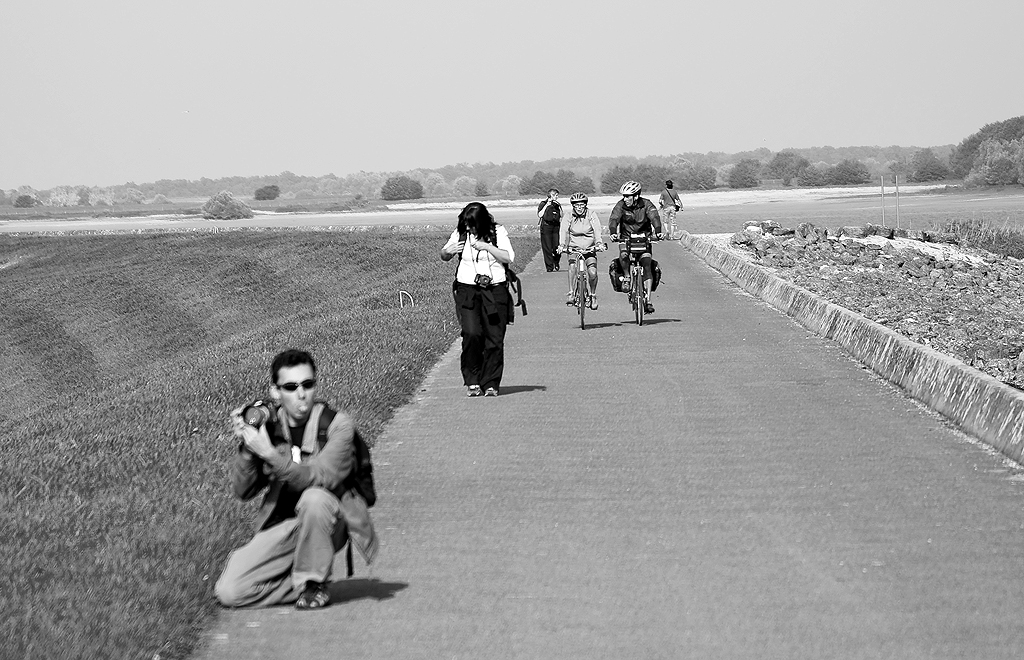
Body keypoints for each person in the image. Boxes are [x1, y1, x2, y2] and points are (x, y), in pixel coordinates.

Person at [215, 349, 378, 610]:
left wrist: (269, 453)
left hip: (329, 521)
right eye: (291, 387)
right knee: (230, 591)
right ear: (275, 392)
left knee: (315, 499)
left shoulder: (338, 426)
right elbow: (243, 491)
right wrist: (248, 447)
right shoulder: (270, 426)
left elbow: (318, 477)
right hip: (284, 525)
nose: (301, 394)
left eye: (308, 384)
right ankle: (301, 584)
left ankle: (314, 584)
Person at [440, 201, 516, 397]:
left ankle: (490, 383)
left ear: (481, 222)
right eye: (466, 223)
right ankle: (472, 380)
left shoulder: (498, 232)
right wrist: (447, 252)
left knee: (494, 338)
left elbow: (508, 257)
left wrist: (486, 246)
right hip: (467, 290)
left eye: (472, 224)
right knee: (472, 333)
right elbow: (444, 253)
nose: (468, 228)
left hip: (494, 290)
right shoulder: (461, 233)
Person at [608, 180, 663, 314]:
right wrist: (613, 233)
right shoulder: (620, 205)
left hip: (644, 238)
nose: (625, 199)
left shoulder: (647, 204)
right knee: (624, 255)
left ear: (636, 196)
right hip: (626, 237)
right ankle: (627, 277)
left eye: (628, 196)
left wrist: (658, 230)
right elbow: (614, 219)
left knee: (646, 263)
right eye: (624, 196)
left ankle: (648, 300)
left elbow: (654, 216)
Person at [556, 192, 606, 310]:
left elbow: (597, 229)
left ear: (585, 205)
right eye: (576, 205)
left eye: (581, 205)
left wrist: (599, 243)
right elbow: (563, 230)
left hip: (589, 248)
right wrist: (561, 245)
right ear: (573, 206)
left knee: (592, 273)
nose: (579, 208)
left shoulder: (591, 214)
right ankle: (571, 293)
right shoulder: (568, 216)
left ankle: (593, 295)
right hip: (574, 248)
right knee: (572, 266)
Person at [536, 187, 563, 272]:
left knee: (557, 246)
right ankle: (549, 266)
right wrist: (547, 205)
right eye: (555, 195)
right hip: (546, 227)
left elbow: (561, 215)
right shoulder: (543, 203)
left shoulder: (557, 205)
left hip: (556, 227)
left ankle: (556, 261)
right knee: (547, 247)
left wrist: (559, 206)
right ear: (550, 195)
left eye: (557, 195)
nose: (556, 197)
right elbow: (540, 215)